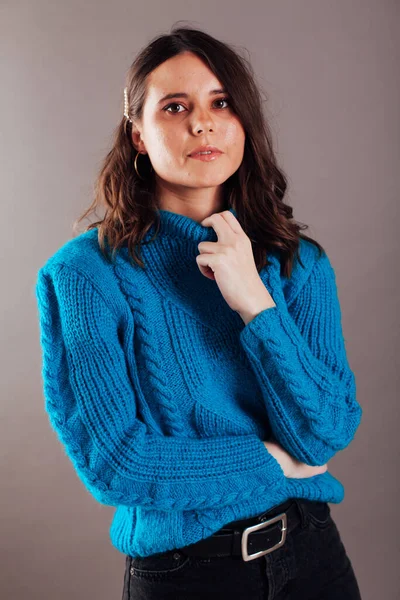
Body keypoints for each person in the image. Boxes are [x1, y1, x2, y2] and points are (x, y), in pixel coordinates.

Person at [35, 24, 363, 600]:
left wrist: (255, 304)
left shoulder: (298, 263)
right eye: (175, 107)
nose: (202, 122)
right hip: (188, 572)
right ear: (138, 135)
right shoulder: (84, 275)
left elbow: (326, 433)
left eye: (221, 103)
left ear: (244, 125)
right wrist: (270, 462)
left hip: (313, 555)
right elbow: (117, 462)